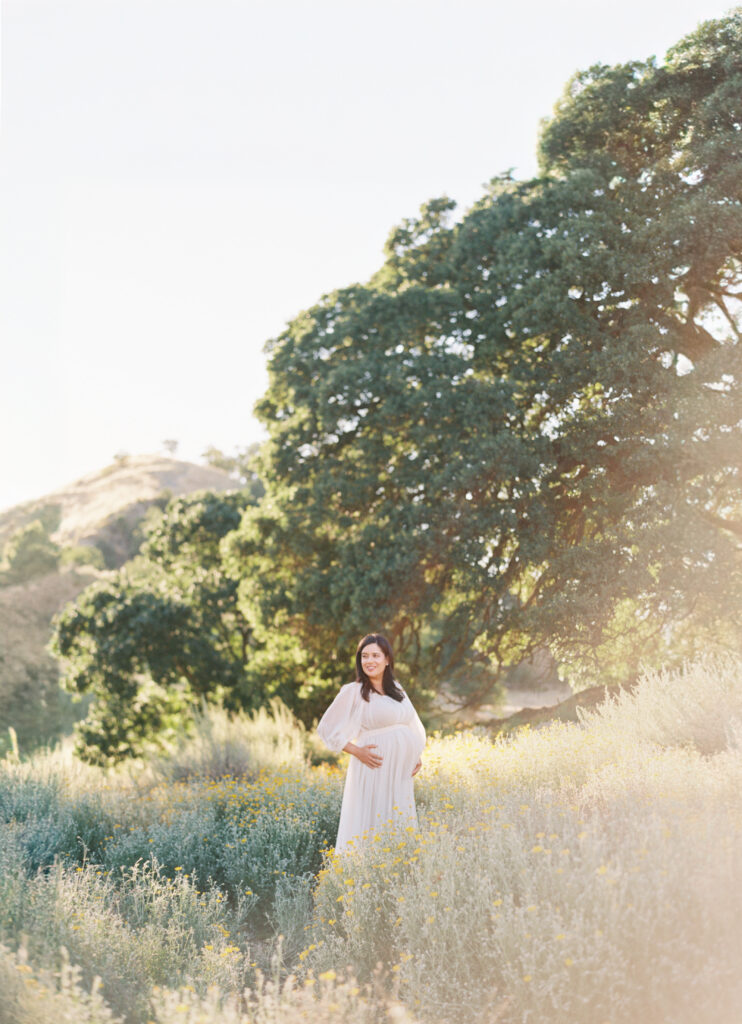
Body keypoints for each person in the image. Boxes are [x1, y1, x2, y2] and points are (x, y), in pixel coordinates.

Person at [316, 633, 426, 855]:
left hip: (399, 775)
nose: (369, 661)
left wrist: (415, 754)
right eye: (364, 656)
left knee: (396, 820)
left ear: (387, 659)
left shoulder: (397, 689)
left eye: (375, 655)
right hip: (373, 768)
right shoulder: (354, 691)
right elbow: (326, 728)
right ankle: (362, 878)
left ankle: (396, 874)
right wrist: (356, 751)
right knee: (372, 821)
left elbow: (411, 722)